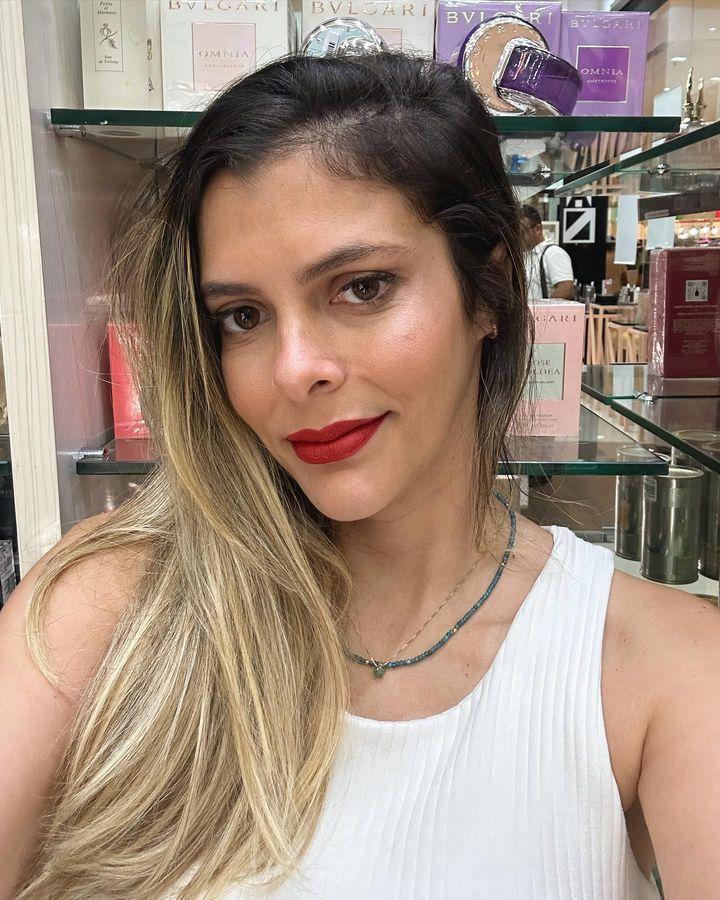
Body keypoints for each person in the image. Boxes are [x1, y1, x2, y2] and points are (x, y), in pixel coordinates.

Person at [1, 52, 718, 900]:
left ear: (488, 291)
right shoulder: (110, 601)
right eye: (242, 316)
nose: (293, 369)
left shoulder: (657, 669)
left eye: (363, 287)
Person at [520, 204, 575, 300]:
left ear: (537, 229)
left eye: (522, 232)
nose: (518, 237)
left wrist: (545, 307)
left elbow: (566, 289)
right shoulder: (525, 255)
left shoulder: (553, 253)